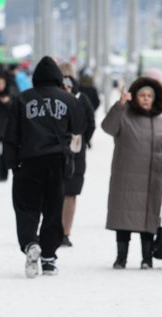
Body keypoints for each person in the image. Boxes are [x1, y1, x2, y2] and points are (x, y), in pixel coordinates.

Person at [3, 55, 84, 277]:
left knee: (26, 207)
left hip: (28, 161)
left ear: (36, 78)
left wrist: (11, 164)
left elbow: (10, 135)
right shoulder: (68, 101)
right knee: (53, 209)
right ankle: (49, 257)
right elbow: (78, 131)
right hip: (57, 163)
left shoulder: (22, 99)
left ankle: (30, 243)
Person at [101, 77, 162, 269]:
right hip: (126, 177)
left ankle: (147, 258)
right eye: (142, 95)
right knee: (123, 219)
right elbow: (107, 127)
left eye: (149, 95)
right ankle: (121, 258)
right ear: (135, 97)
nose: (146, 99)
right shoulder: (123, 115)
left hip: (152, 180)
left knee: (148, 219)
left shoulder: (160, 122)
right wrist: (120, 104)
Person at [59, 72, 96, 247]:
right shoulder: (53, 102)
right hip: (57, 152)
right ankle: (54, 230)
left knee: (71, 193)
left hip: (75, 154)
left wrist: (83, 140)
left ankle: (65, 232)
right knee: (56, 193)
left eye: (68, 86)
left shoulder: (82, 101)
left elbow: (91, 123)